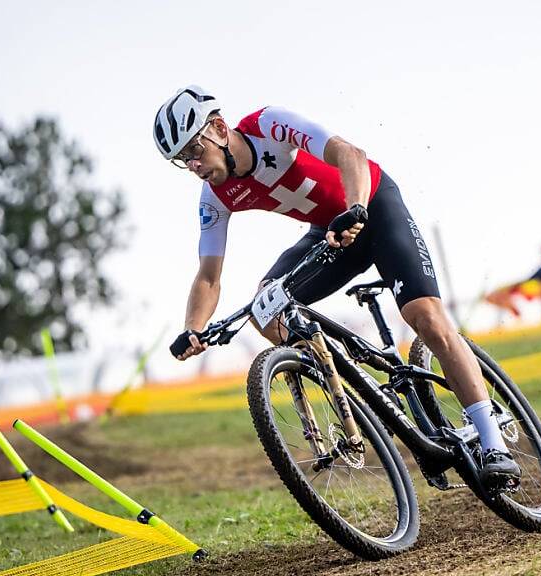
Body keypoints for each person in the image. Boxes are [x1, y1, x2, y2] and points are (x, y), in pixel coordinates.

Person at [153, 86, 519, 487]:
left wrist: (356, 207)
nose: (192, 165)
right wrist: (194, 328)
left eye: (194, 150)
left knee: (424, 316)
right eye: (182, 160)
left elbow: (350, 154)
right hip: (331, 233)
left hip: (372, 206)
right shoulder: (215, 197)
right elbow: (208, 275)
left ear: (220, 128)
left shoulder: (268, 124)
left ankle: (492, 440)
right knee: (265, 307)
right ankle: (350, 379)